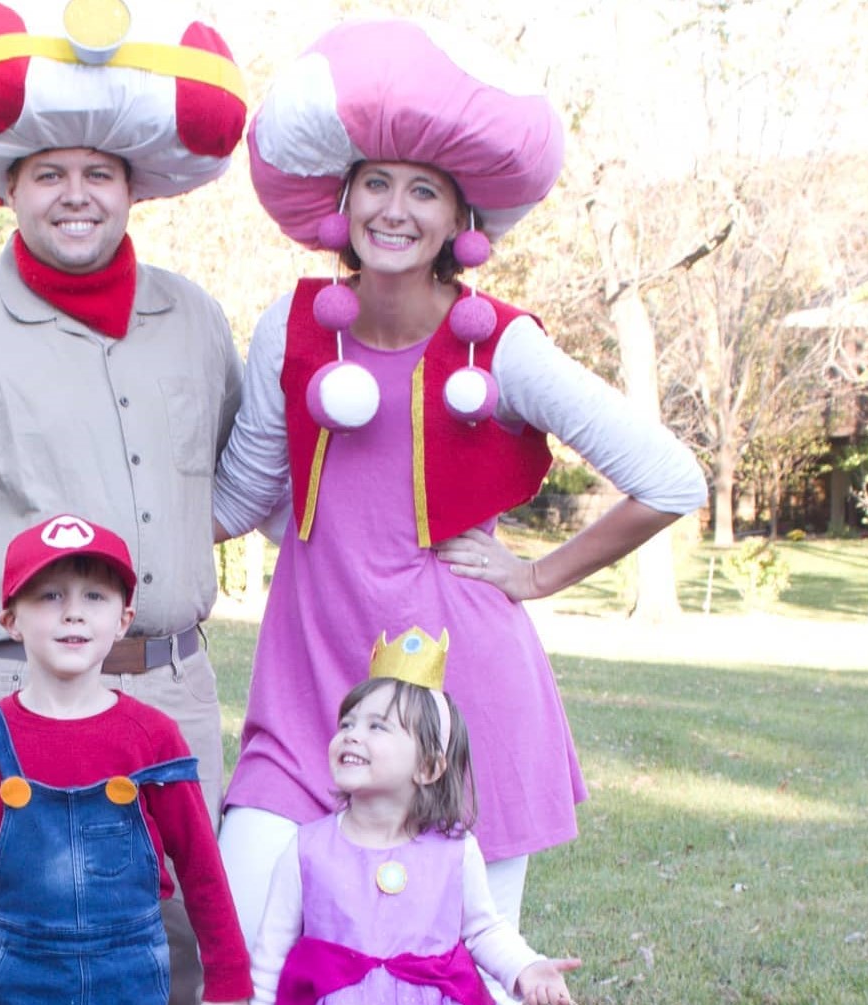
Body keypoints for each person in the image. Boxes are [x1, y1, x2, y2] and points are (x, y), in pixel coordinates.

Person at [213, 18, 707, 1002]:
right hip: (310, 690)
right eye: (376, 183)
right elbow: (237, 498)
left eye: (423, 190)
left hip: (458, 704)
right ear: (341, 198)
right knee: (246, 956)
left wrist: (533, 577)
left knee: (449, 968)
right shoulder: (291, 328)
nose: (394, 209)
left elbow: (671, 480)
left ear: (457, 220)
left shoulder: (502, 351)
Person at [0, 4, 248, 1002]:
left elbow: (241, 489)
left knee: (182, 946)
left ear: (133, 189)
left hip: (174, 696)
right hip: (16, 700)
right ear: (8, 189)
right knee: (42, 953)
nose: (77, 196)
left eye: (98, 174)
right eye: (49, 174)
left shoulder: (197, 320)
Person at [0, 514, 252, 1004]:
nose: (73, 613)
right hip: (20, 976)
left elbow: (201, 868)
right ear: (10, 619)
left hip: (131, 976)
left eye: (94, 596)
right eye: (50, 595)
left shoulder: (153, 737)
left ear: (123, 619)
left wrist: (229, 979)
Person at [249, 627, 580, 1005]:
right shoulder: (307, 850)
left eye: (377, 726)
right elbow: (271, 956)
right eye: (347, 724)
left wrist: (526, 967)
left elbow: (484, 929)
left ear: (427, 767)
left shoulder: (455, 851)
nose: (353, 735)